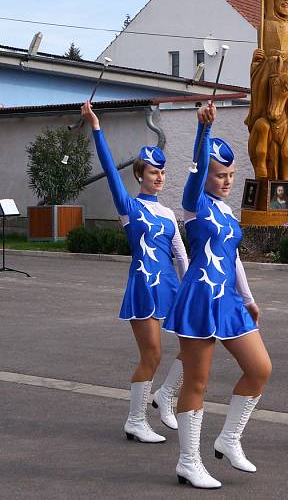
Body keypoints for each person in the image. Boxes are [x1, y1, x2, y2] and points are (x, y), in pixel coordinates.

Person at [163, 102, 271, 489]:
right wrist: (203, 132)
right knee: (197, 381)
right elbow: (193, 176)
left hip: (229, 300)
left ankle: (228, 439)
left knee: (260, 368)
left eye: (230, 175)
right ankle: (188, 461)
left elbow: (235, 257)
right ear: (205, 175)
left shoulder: (227, 212)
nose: (226, 181)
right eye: (219, 174)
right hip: (198, 298)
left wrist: (248, 297)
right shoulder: (194, 206)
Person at [81, 101, 188, 443]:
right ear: (140, 175)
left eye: (162, 172)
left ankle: (166, 394)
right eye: (153, 172)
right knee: (153, 354)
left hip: (171, 288)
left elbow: (180, 255)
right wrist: (96, 127)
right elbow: (111, 170)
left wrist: (191, 290)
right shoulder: (129, 207)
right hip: (143, 287)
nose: (159, 177)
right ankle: (136, 420)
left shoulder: (170, 214)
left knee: (198, 344)